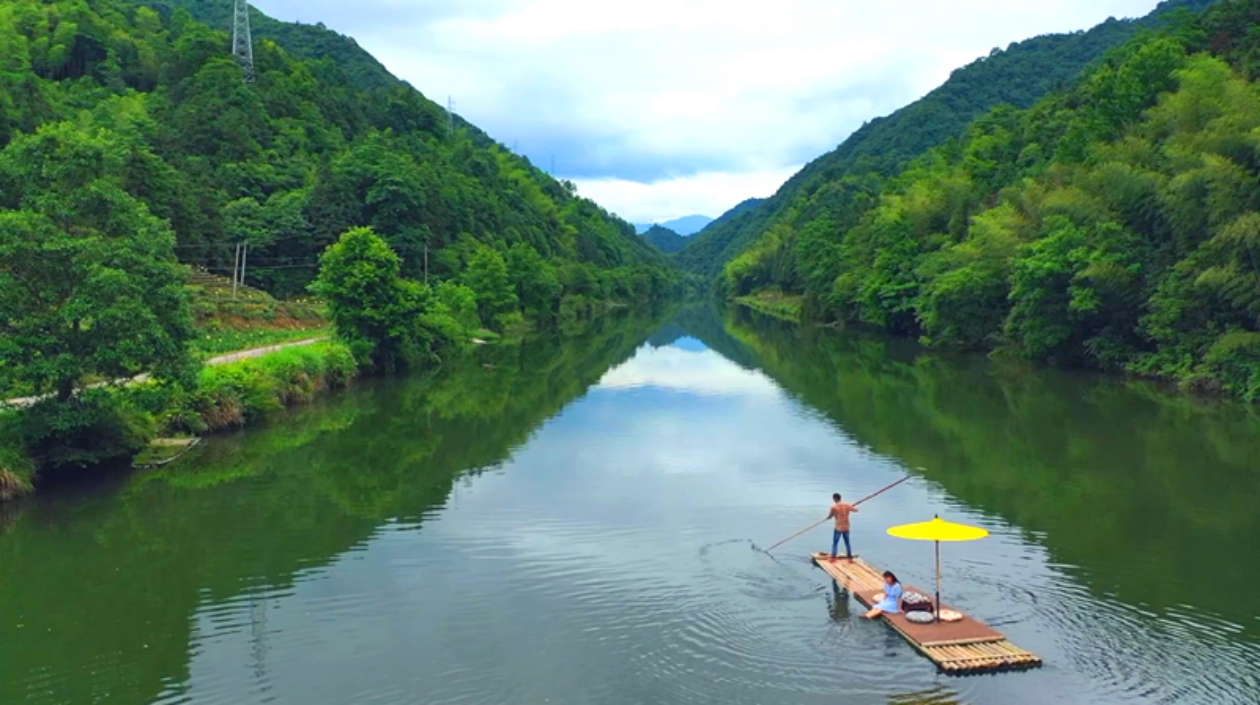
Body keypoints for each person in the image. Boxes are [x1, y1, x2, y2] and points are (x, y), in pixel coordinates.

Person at [827, 492, 858, 562]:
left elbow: (830, 516)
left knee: (835, 543)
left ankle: (833, 557)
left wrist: (827, 518)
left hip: (838, 527)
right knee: (847, 543)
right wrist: (851, 506)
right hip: (846, 527)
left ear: (835, 499)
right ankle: (849, 557)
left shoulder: (834, 507)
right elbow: (856, 510)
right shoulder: (847, 505)